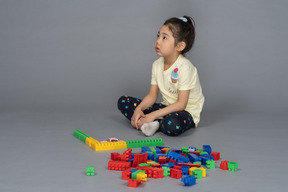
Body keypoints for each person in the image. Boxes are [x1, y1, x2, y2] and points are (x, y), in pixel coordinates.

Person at [117, 16, 204, 136]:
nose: (158, 41)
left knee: (172, 124)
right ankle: (153, 121)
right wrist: (139, 110)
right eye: (158, 36)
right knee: (123, 101)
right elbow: (152, 96)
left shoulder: (185, 68)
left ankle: (156, 122)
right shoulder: (157, 65)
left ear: (179, 46)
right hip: (166, 108)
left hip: (185, 112)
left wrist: (152, 115)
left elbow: (181, 104)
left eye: (164, 38)